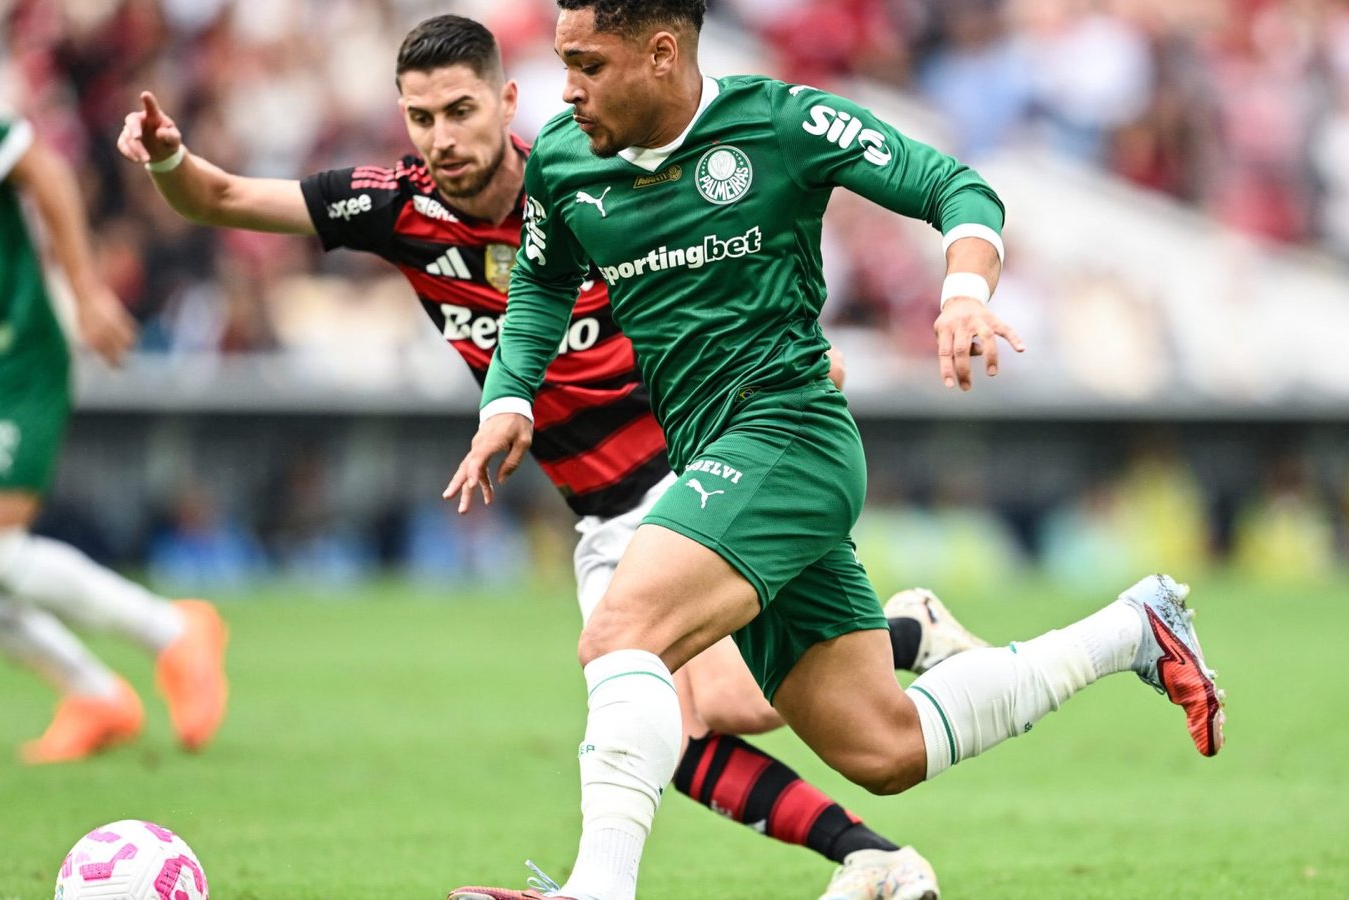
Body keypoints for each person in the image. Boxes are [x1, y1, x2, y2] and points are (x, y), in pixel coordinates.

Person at [116, 15, 988, 898]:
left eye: (460, 110)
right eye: (421, 118)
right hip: (598, 511)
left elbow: (725, 274)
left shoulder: (592, 177)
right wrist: (165, 161)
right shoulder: (394, 207)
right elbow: (222, 198)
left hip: (689, 472)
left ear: (507, 101)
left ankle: (879, 729)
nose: (443, 137)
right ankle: (879, 810)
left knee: (682, 698)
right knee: (676, 731)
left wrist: (792, 359)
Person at [441, 2, 1228, 899]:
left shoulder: (781, 123)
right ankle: (1135, 626)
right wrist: (508, 399)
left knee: (621, 636)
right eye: (561, 63)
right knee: (884, 747)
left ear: (661, 53)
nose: (567, 89)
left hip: (789, 435)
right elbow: (541, 282)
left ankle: (597, 891)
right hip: (713, 456)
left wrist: (963, 293)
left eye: (587, 64)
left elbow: (957, 187)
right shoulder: (562, 160)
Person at [0, 0, 227, 764]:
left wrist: (86, 290)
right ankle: (93, 693)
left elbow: (44, 169)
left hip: (18, 337)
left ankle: (175, 632)